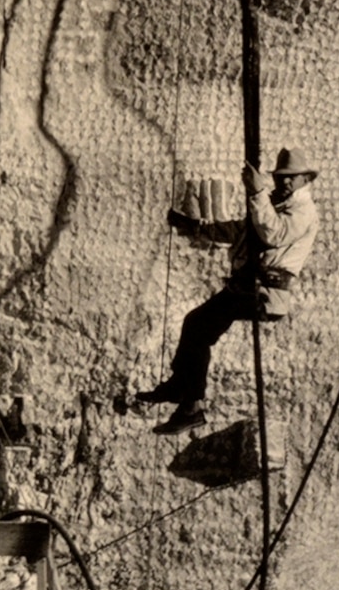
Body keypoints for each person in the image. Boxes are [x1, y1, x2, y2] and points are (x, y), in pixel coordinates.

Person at [133, 151, 321, 435]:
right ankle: (181, 390)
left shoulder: (303, 211)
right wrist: (194, 226)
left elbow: (274, 234)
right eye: (279, 177)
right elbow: (239, 231)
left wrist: (258, 191)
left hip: (266, 293)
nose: (283, 182)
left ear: (305, 179)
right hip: (248, 288)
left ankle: (189, 404)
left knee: (198, 326)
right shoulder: (276, 204)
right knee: (195, 324)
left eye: (290, 178)